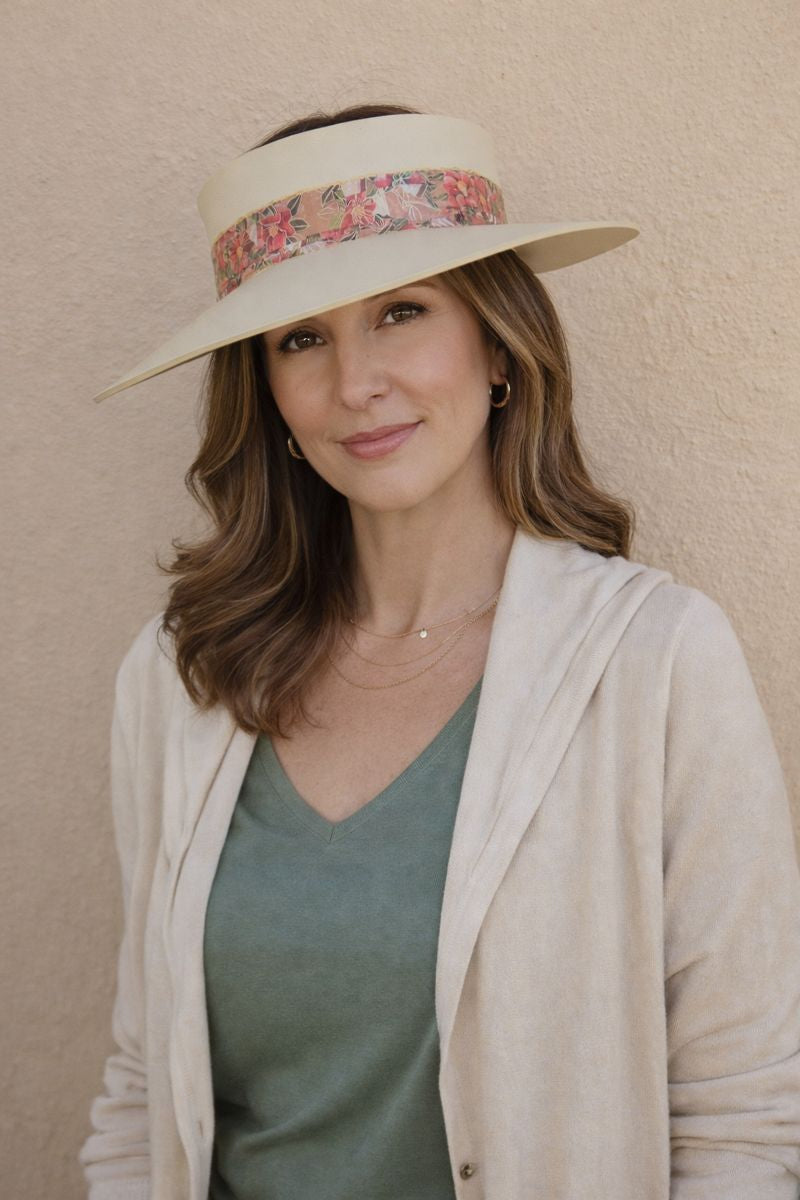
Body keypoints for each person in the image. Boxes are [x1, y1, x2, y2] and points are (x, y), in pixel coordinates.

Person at [79, 103, 800, 1200]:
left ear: (497, 345)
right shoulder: (186, 677)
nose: (354, 382)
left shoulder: (652, 664)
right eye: (301, 338)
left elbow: (745, 1116)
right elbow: (142, 1089)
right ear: (265, 392)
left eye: (401, 312)